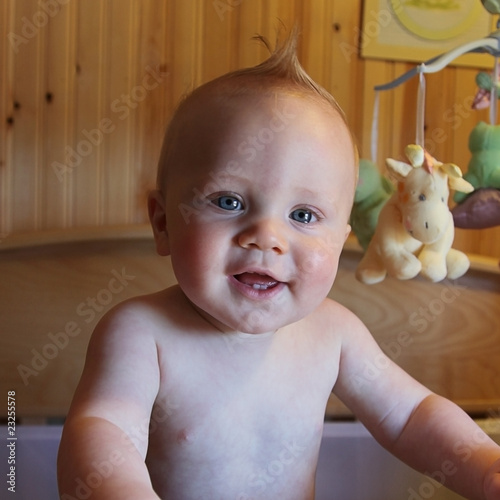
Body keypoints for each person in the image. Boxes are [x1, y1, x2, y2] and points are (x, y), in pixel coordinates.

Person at [57, 30, 500, 500]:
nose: (267, 237)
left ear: (341, 240)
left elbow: (411, 416)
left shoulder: (335, 334)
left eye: (303, 216)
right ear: (163, 223)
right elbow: (104, 432)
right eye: (228, 201)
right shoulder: (140, 333)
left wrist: (484, 466)